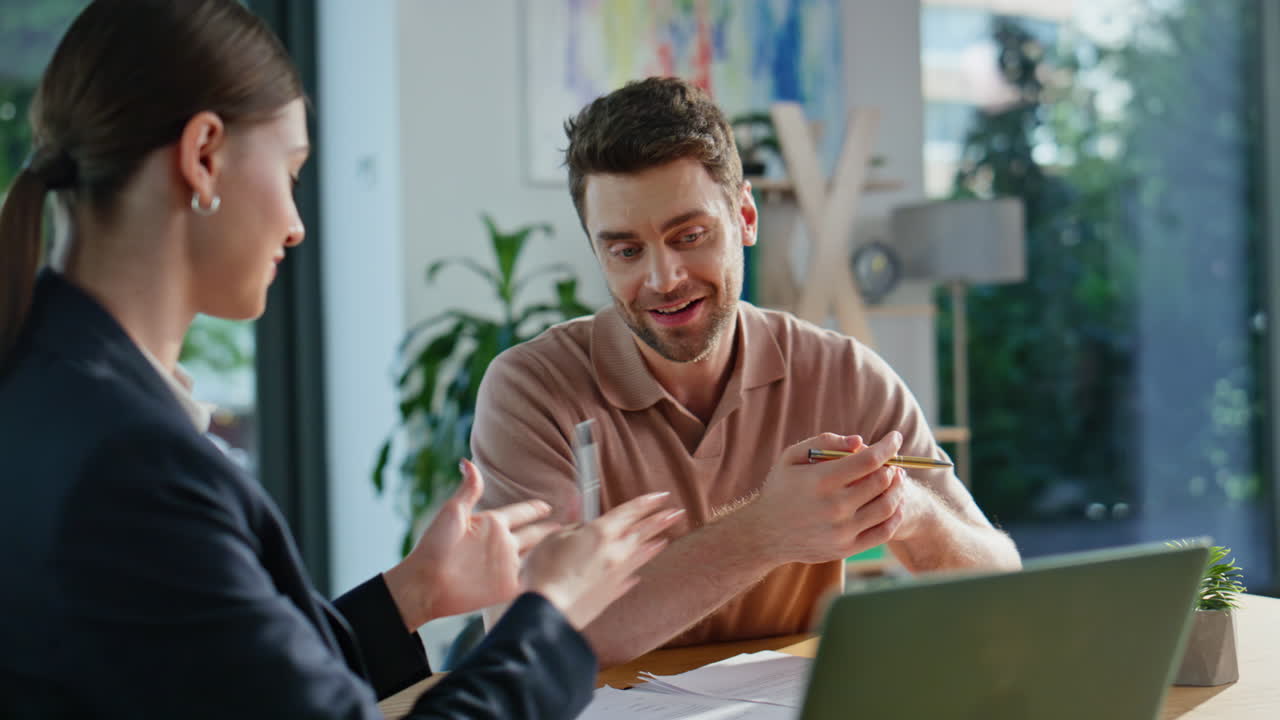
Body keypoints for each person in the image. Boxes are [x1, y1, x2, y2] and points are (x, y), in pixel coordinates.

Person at [0, 1, 682, 718]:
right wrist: (554, 615)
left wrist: (414, 593)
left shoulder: (48, 392)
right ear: (204, 156)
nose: (295, 227)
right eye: (291, 170)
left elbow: (227, 681)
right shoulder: (133, 468)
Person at [471, 76, 1023, 667]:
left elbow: (1002, 591)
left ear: (746, 217)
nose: (663, 278)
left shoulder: (843, 374)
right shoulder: (531, 390)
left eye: (690, 236)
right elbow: (528, 644)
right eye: (626, 251)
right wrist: (766, 532)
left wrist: (911, 511)